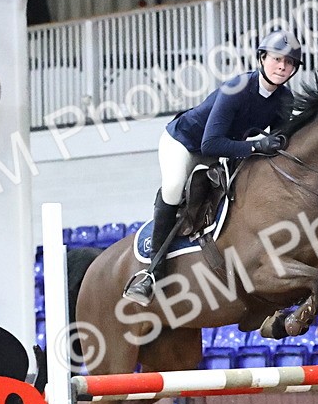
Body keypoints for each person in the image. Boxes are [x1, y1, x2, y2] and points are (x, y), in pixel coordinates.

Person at [122, 29, 303, 306]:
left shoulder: (284, 99)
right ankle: (152, 273)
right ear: (262, 58)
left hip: (225, 150)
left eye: (289, 63)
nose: (282, 66)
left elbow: (276, 144)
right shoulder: (237, 89)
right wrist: (256, 146)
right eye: (277, 59)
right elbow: (210, 144)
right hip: (185, 143)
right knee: (173, 187)